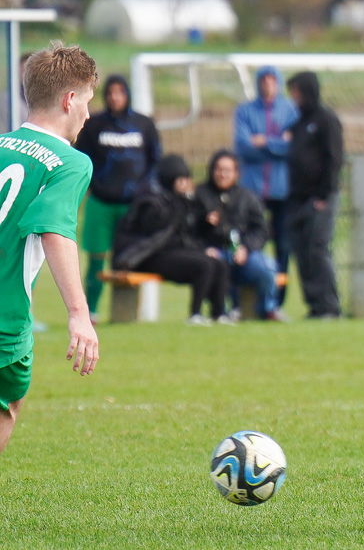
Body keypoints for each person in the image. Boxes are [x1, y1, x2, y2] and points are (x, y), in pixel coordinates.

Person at [0, 42, 100, 454]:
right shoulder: (71, 161)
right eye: (87, 102)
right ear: (69, 99)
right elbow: (54, 230)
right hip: (5, 320)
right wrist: (79, 313)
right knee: (6, 409)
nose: (89, 115)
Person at [75, 74, 162, 325]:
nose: (115, 97)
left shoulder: (144, 124)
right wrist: (95, 186)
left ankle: (126, 313)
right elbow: (81, 159)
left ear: (127, 94)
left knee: (128, 257)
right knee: (97, 257)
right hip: (100, 203)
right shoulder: (94, 126)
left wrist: (144, 189)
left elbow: (155, 160)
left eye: (120, 92)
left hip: (133, 205)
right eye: (110, 93)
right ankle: (90, 311)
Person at [112, 154, 232, 327]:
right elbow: (159, 238)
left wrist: (205, 225)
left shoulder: (180, 201)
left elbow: (185, 233)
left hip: (168, 252)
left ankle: (219, 314)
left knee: (218, 264)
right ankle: (195, 314)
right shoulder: (152, 202)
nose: (186, 184)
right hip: (146, 256)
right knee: (204, 265)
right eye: (181, 180)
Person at [233, 66, 299, 309]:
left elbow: (294, 147)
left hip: (282, 191)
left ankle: (277, 303)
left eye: (272, 80)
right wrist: (278, 144)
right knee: (249, 242)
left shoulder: (290, 111)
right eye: (264, 80)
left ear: (278, 83)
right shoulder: (245, 111)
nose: (268, 85)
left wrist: (264, 142)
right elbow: (243, 147)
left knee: (283, 246)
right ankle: (244, 300)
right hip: (253, 191)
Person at [195, 149, 285, 321]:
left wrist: (246, 248)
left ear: (236, 173)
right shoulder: (200, 196)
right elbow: (189, 230)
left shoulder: (248, 197)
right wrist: (205, 232)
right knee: (212, 267)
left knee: (267, 267)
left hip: (242, 253)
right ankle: (224, 310)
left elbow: (261, 230)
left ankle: (267, 309)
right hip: (213, 253)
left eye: (228, 170)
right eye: (219, 169)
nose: (223, 174)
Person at [285, 71, 344, 319]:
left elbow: (334, 158)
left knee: (318, 249)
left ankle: (330, 306)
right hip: (298, 198)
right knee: (302, 252)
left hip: (321, 198)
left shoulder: (326, 120)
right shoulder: (298, 123)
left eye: (297, 91)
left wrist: (324, 194)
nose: (294, 97)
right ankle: (315, 306)